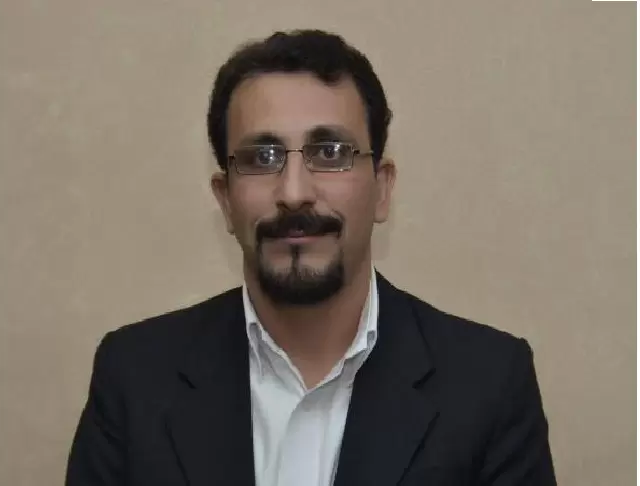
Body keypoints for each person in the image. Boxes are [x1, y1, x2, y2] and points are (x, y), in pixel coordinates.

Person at [66, 29, 557, 486]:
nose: (294, 193)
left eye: (331, 152)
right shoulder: (134, 379)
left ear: (382, 189)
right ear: (226, 200)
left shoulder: (488, 385)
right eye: (261, 158)